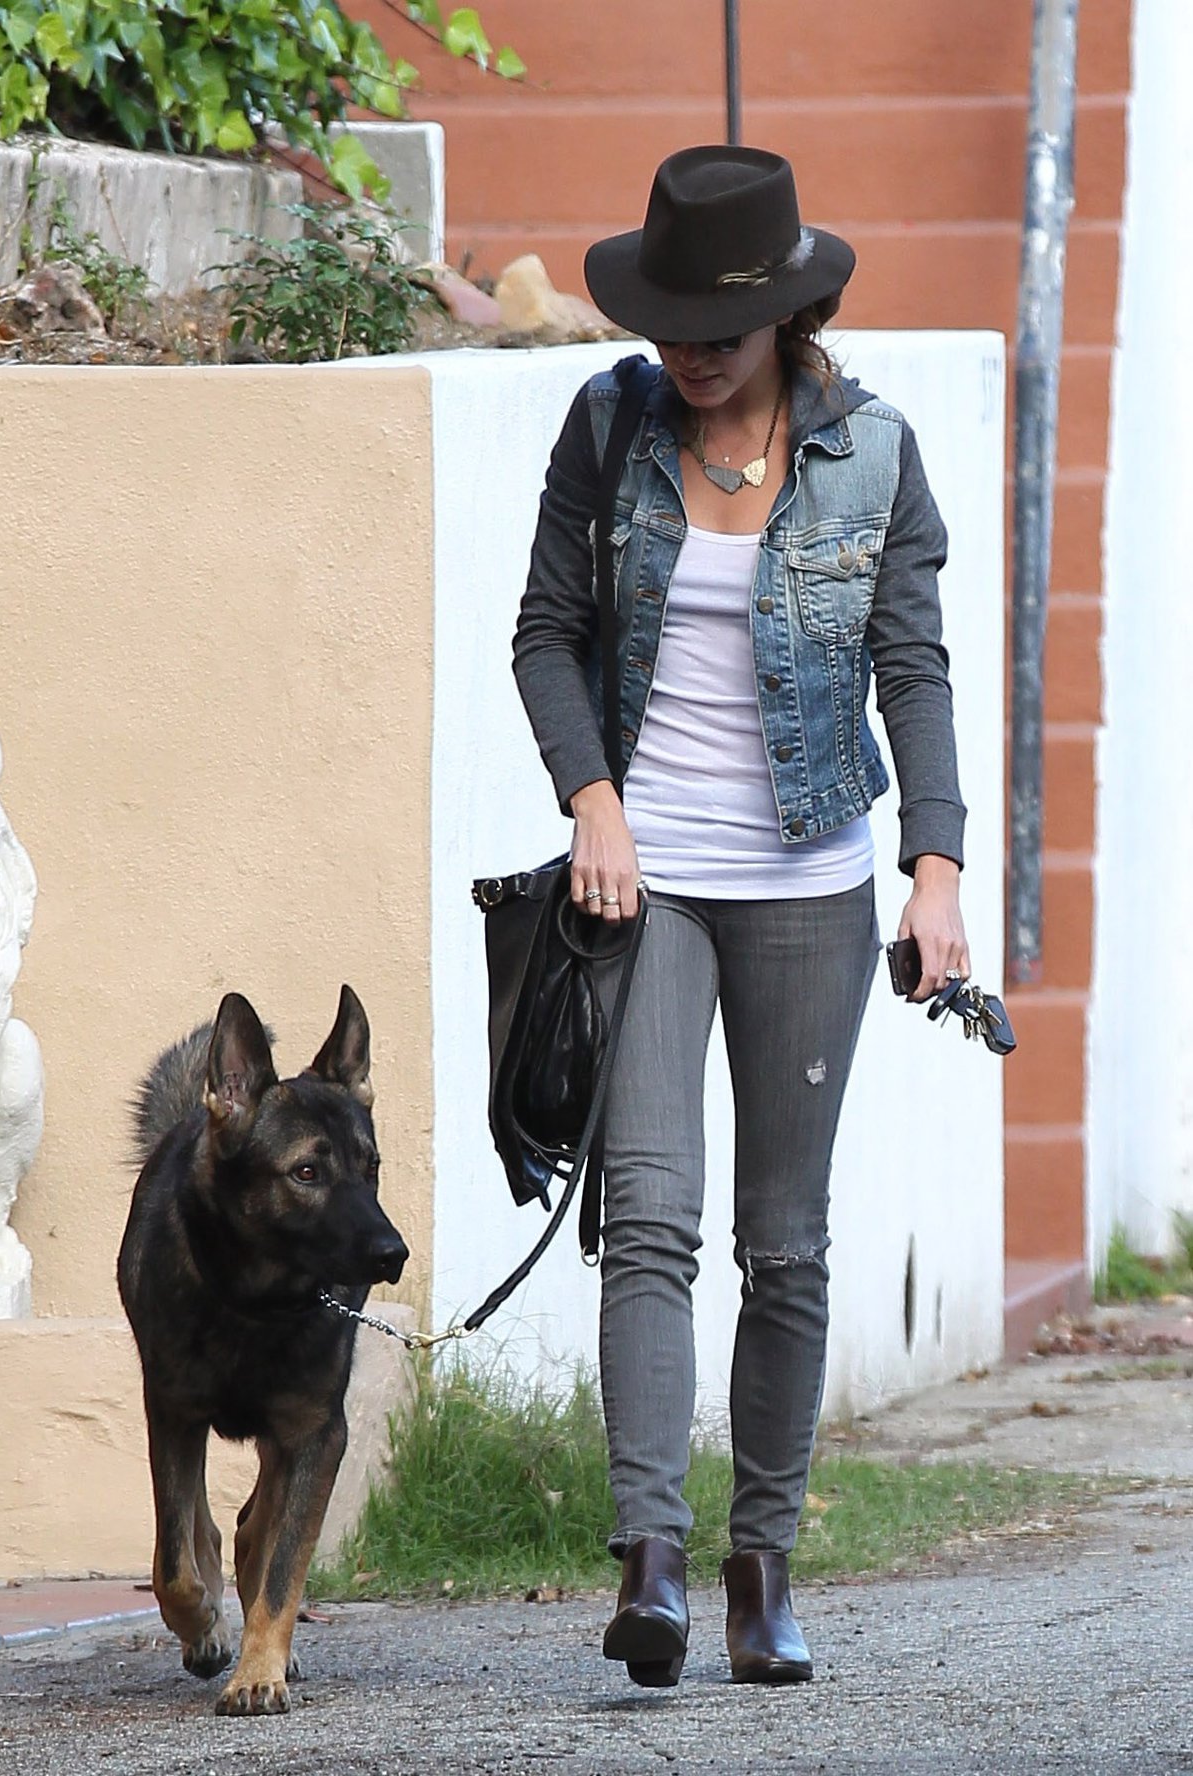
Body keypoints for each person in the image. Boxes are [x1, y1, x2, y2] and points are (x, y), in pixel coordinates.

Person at [511, 146, 969, 1689]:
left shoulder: (875, 456)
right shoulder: (608, 426)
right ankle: (647, 1566)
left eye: (720, 328)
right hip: (642, 886)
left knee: (787, 1244)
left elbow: (914, 668)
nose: (690, 355)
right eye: (671, 329)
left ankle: (761, 1572)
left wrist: (938, 866)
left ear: (787, 313)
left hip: (809, 891)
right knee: (645, 1219)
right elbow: (547, 637)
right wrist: (593, 801)